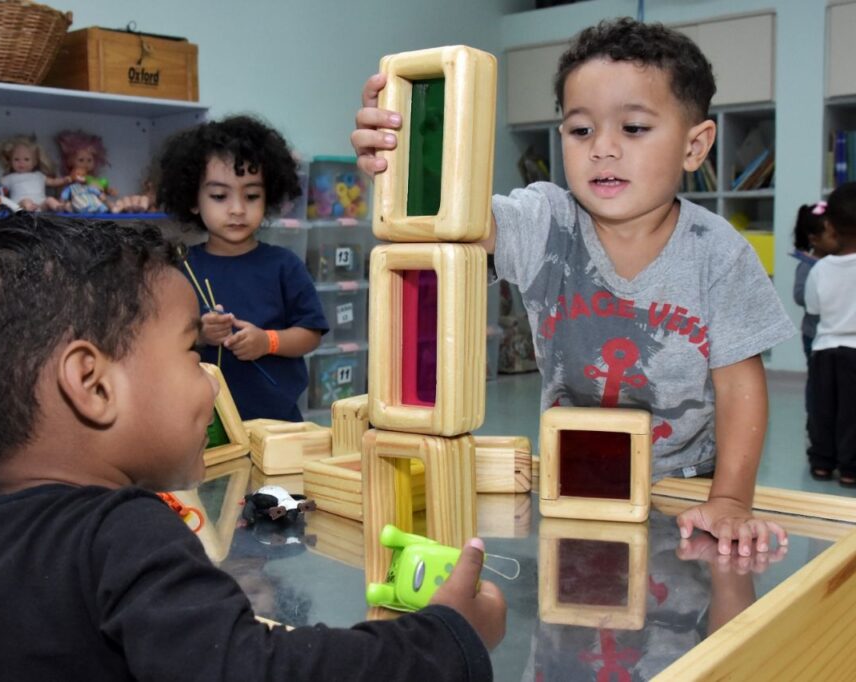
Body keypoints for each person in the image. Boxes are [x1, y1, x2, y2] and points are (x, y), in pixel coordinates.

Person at [0, 211, 506, 681]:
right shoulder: (121, 538)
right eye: (192, 353)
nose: (209, 383)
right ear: (91, 384)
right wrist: (448, 638)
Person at [352, 18, 795, 555]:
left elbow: (740, 390)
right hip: (574, 483)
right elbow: (456, 217)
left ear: (695, 146)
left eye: (633, 129)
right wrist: (401, 154)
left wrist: (730, 499)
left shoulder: (720, 254)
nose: (602, 149)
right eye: (581, 130)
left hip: (688, 485)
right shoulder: (546, 220)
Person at [158, 114, 328, 421]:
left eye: (251, 195)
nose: (237, 209)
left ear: (269, 196)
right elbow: (160, 341)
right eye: (220, 196)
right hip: (204, 421)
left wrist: (268, 341)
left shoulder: (284, 265)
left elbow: (310, 334)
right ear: (194, 200)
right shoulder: (181, 267)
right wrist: (200, 335)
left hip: (276, 421)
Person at [805, 182, 856, 487]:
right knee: (852, 414)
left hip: (824, 349)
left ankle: (822, 462)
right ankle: (850, 468)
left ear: (830, 224)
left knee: (822, 409)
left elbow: (813, 308)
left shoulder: (820, 269)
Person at [789, 201, 836, 446]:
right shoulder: (808, 266)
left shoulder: (838, 262)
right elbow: (799, 296)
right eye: (833, 234)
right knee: (817, 382)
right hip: (814, 336)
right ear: (814, 239)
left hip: (833, 334)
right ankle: (814, 422)